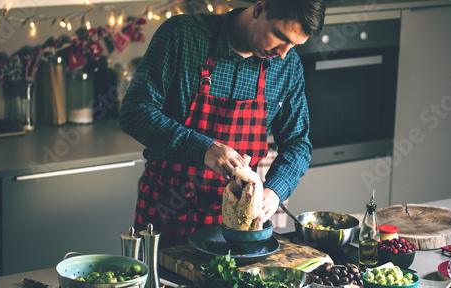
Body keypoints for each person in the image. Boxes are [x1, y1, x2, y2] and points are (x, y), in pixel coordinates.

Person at [120, 0, 326, 248]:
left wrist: (274, 191)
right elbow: (135, 111)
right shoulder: (181, 34)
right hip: (166, 209)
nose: (283, 52)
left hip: (237, 223)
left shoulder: (288, 66)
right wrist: (204, 149)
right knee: (161, 285)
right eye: (280, 37)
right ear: (259, 9)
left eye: (293, 44)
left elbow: (298, 145)